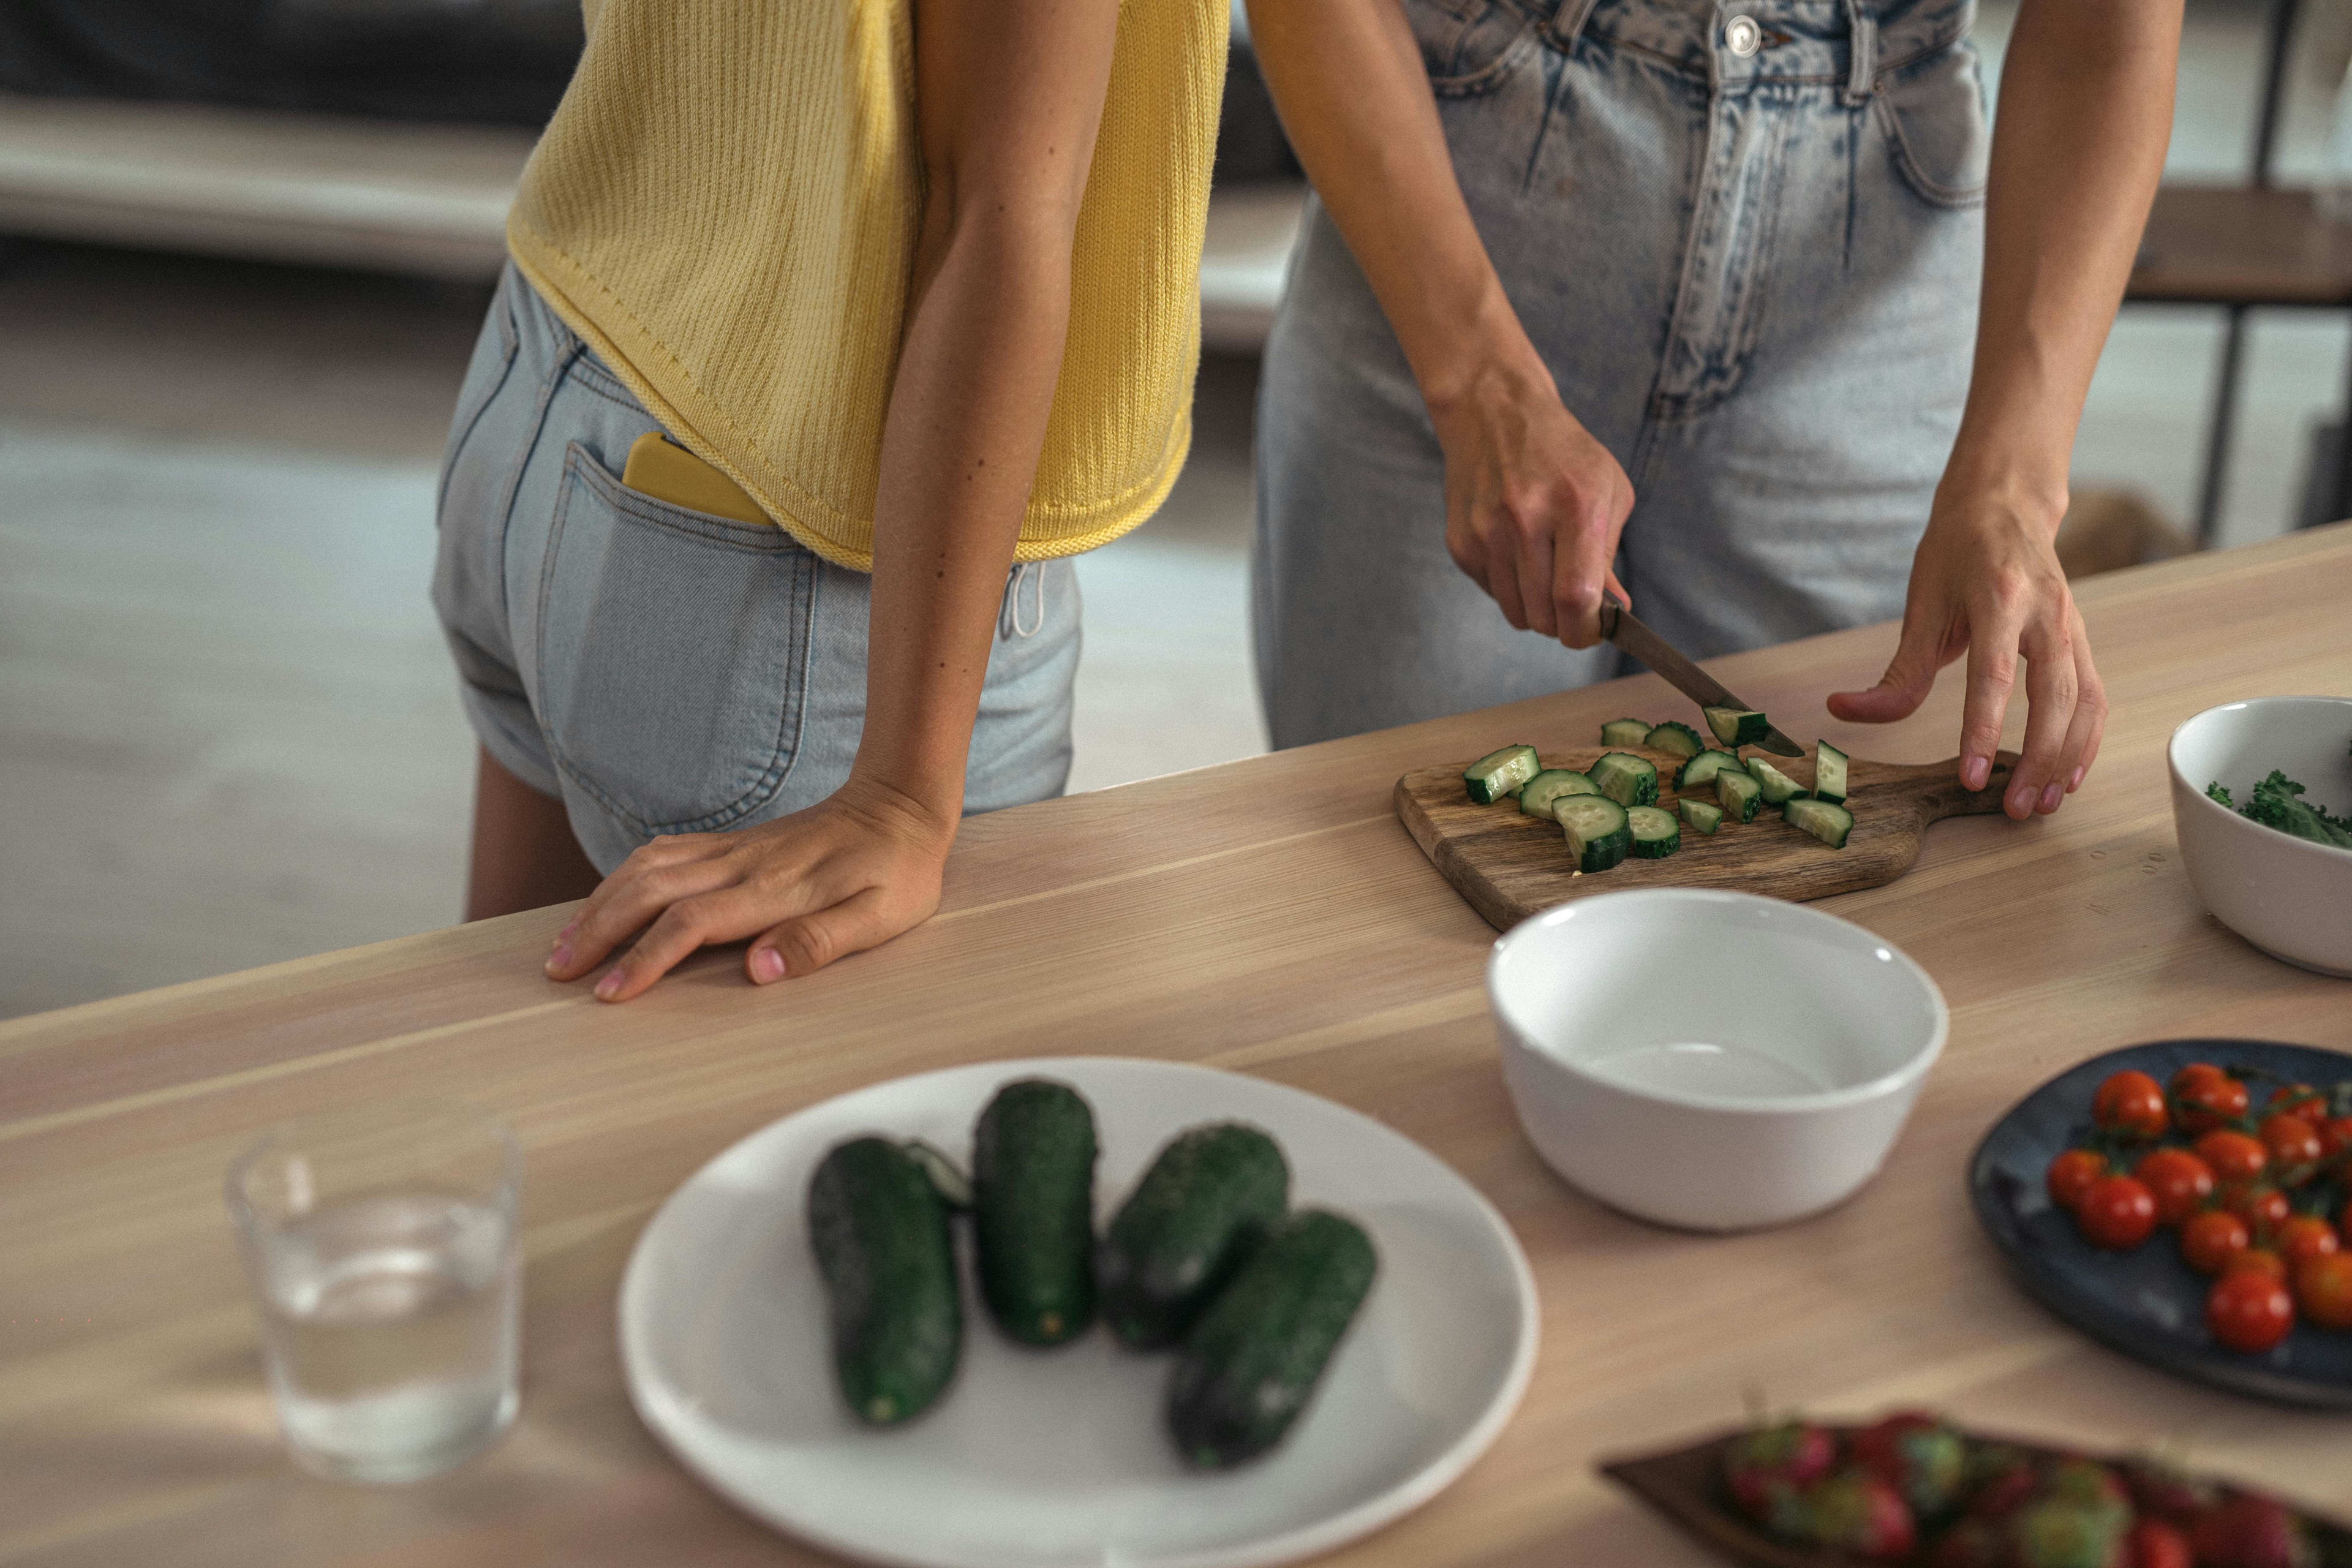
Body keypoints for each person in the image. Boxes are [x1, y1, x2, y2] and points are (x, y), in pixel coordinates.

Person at [433, 0, 1226, 1000]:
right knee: (753, 1147)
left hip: (549, 364)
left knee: (515, 1065)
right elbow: (999, 208)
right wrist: (900, 797)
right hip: (780, 535)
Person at [1247, 0, 2180, 821]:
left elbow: (2104, 33)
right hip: (1449, 216)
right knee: (1389, 872)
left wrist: (2013, 480)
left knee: (1819, 900)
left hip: (1867, 323)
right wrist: (1476, 377)